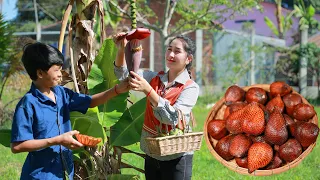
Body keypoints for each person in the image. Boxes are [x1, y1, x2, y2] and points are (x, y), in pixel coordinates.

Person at [10, 42, 129, 180]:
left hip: (65, 173)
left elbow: (90, 101)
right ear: (40, 73)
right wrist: (56, 140)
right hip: (41, 175)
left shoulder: (61, 94)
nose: (61, 74)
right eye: (57, 70)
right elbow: (17, 146)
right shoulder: (28, 104)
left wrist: (116, 90)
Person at [113, 34, 199, 180]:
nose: (171, 54)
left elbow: (172, 118)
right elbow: (123, 75)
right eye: (169, 49)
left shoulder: (190, 88)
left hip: (177, 157)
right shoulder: (154, 78)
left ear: (188, 59)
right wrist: (121, 49)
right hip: (152, 152)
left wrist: (148, 90)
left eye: (177, 51)